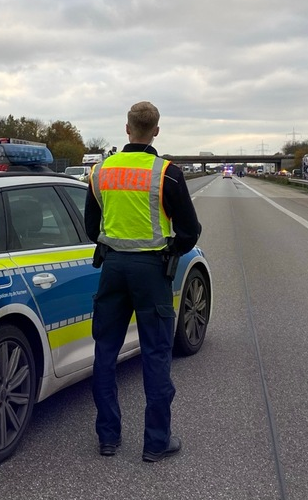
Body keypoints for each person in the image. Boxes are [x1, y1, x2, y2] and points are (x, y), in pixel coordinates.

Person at [85, 101, 201, 462]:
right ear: (156, 130)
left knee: (105, 352)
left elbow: (92, 229)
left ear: (126, 129)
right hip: (152, 272)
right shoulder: (166, 173)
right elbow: (190, 231)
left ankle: (108, 437)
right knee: (156, 354)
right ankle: (155, 442)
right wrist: (170, 250)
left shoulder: (100, 172)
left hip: (113, 269)